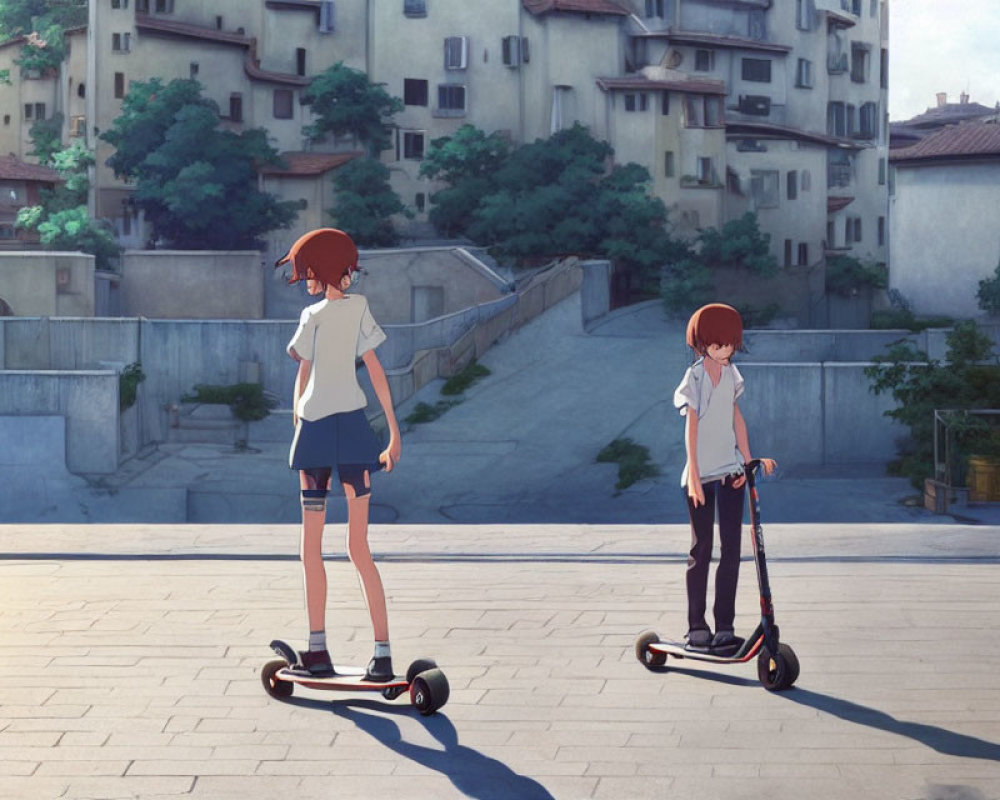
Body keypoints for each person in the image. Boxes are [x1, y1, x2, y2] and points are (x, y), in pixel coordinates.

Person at [276, 228, 402, 681]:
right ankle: (378, 653)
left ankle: (321, 650)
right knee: (355, 546)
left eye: (306, 272)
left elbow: (307, 371)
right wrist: (391, 431)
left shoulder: (315, 315)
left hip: (323, 429)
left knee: (315, 547)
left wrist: (298, 417)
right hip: (348, 427)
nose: (304, 281)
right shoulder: (353, 310)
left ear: (322, 270)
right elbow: (373, 372)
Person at [673, 303, 776, 652]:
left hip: (730, 471)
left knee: (731, 549)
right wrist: (696, 477)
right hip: (701, 475)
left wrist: (749, 462)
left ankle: (724, 627)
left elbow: (736, 419)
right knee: (701, 549)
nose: (725, 350)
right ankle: (696, 627)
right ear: (703, 343)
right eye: (718, 344)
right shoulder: (696, 377)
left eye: (729, 344)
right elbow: (691, 428)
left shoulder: (731, 374)